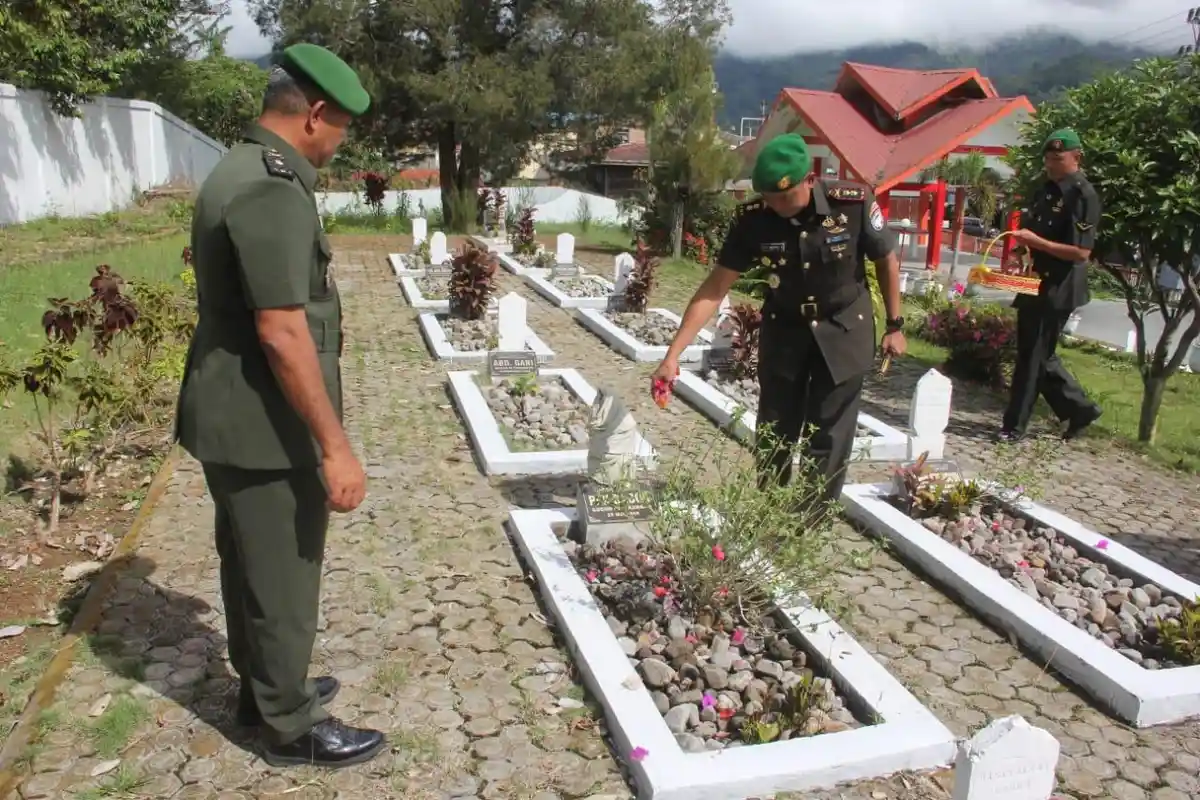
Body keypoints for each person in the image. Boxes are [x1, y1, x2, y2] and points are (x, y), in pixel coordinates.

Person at [175, 44, 385, 768]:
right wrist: (335, 446)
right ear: (316, 115)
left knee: (249, 566)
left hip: (237, 415)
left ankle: (266, 687)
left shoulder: (242, 167)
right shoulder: (270, 186)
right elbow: (284, 329)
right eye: (342, 128)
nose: (341, 142)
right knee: (285, 573)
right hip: (267, 426)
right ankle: (290, 725)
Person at [652, 134, 905, 501]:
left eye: (786, 197)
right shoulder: (754, 221)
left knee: (829, 435)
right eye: (770, 198)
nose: (779, 206)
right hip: (786, 331)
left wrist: (895, 325)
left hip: (844, 329)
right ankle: (769, 509)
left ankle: (809, 521)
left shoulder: (851, 204)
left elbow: (886, 258)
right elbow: (714, 288)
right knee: (775, 428)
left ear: (810, 180)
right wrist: (672, 355)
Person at [998, 128, 1103, 443]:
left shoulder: (1082, 196)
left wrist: (1037, 243)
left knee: (1033, 358)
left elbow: (1081, 252)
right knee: (1038, 355)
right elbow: (1032, 232)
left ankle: (1013, 427)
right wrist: (1020, 252)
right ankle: (1080, 408)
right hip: (1034, 281)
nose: (1051, 165)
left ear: (1076, 158)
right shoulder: (1045, 189)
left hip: (1060, 286)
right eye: (1048, 159)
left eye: (1057, 159)